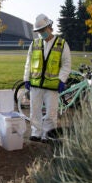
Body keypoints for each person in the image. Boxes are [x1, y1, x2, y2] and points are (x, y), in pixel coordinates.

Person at [23, 13, 71, 143]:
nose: (41, 33)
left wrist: (61, 80)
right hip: (36, 84)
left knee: (51, 112)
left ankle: (47, 134)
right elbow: (28, 62)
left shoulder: (61, 44)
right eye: (39, 31)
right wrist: (26, 79)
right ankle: (36, 132)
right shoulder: (34, 44)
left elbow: (66, 64)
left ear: (50, 27)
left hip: (52, 86)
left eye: (43, 30)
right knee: (34, 111)